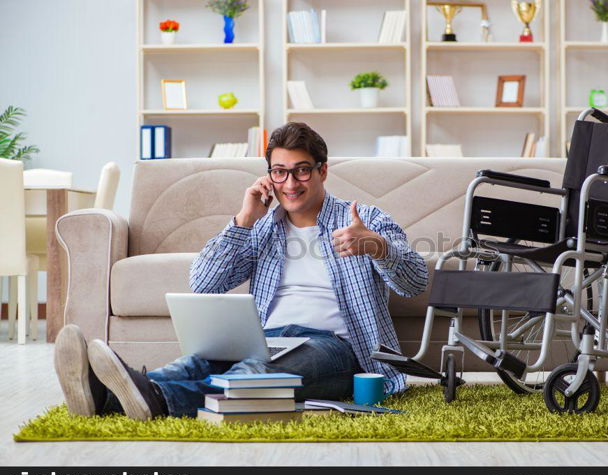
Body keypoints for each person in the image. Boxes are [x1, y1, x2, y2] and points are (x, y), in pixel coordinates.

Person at [54, 122, 428, 420]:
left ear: (322, 170)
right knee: (195, 363)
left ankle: (145, 398)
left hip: (336, 348)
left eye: (301, 171)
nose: (291, 184)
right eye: (279, 172)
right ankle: (107, 394)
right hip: (266, 337)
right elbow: (204, 283)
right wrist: (245, 218)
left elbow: (416, 283)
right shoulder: (262, 226)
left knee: (256, 371)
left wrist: (378, 247)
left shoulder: (365, 220)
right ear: (269, 175)